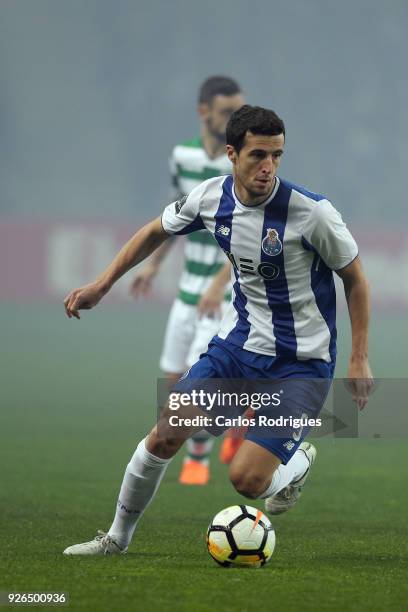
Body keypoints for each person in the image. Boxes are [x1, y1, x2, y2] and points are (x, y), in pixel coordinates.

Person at [63, 105, 373, 556]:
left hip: (302, 365)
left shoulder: (313, 214)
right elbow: (155, 230)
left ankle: (297, 463)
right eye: (257, 156)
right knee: (167, 431)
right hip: (239, 350)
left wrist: (359, 355)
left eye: (277, 156)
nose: (268, 167)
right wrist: (102, 283)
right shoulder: (210, 198)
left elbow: (356, 278)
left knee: (247, 481)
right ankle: (115, 539)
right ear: (232, 153)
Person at [130, 76, 245, 485]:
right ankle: (238, 417)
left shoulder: (239, 163)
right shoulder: (182, 157)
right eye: (227, 111)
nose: (236, 119)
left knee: (198, 385)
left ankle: (198, 458)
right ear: (203, 113)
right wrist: (153, 266)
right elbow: (174, 220)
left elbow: (248, 234)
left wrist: (219, 282)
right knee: (170, 382)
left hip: (225, 294)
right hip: (186, 292)